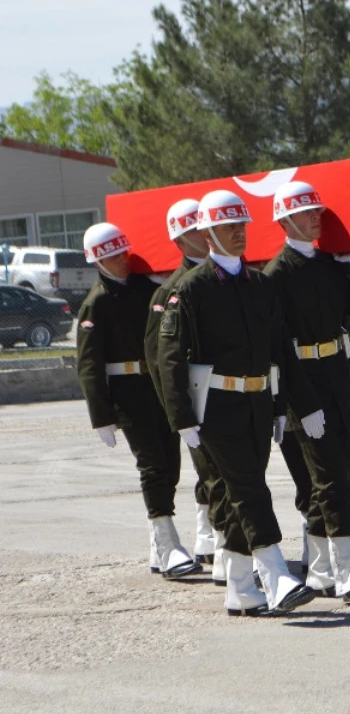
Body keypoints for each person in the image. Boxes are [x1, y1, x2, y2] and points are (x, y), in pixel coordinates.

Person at [157, 190, 316, 616]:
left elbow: (279, 349)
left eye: (242, 226)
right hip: (215, 408)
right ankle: (277, 574)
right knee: (249, 488)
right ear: (208, 234)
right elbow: (169, 356)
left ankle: (241, 589)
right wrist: (182, 418)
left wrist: (282, 406)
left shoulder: (260, 284)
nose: (239, 234)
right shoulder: (190, 289)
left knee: (237, 495)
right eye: (229, 227)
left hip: (257, 404)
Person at [263, 181, 350, 602]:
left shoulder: (330, 264)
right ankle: (348, 568)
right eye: (305, 212)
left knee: (328, 481)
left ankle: (318, 571)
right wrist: (298, 404)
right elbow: (277, 347)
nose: (316, 217)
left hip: (335, 381)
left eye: (317, 210)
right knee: (330, 479)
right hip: (304, 389)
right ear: (284, 220)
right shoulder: (275, 275)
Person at [77, 222, 201, 581]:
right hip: (127, 393)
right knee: (153, 465)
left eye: (122, 252)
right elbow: (88, 365)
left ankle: (158, 545)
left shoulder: (147, 289)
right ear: (97, 260)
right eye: (112, 256)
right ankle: (167, 542)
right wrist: (100, 415)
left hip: (157, 386)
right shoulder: (95, 303)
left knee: (171, 465)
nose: (121, 260)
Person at [143, 199, 219, 570]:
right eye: (194, 231)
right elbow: (160, 358)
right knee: (212, 469)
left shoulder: (218, 278)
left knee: (217, 470)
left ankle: (208, 537)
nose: (203, 237)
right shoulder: (171, 291)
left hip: (222, 391)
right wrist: (177, 412)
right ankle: (222, 546)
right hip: (194, 396)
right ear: (179, 239)